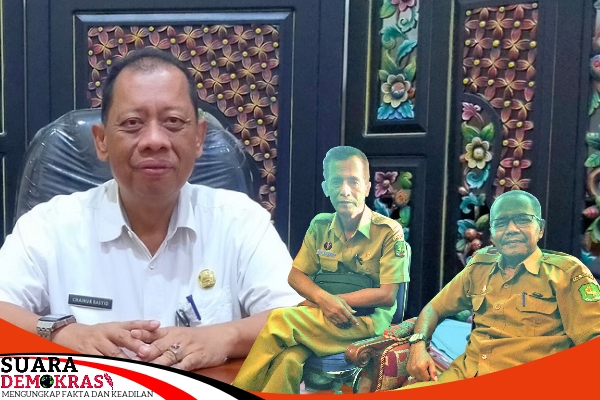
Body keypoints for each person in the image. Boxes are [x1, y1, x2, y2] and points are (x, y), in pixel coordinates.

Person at [0, 48, 302, 371]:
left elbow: (299, 319)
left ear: (199, 138)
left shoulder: (240, 220)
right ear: (101, 141)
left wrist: (222, 337)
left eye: (173, 122)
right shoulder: (47, 227)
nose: (154, 140)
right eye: (133, 123)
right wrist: (61, 333)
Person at [232, 146, 410, 393]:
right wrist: (324, 301)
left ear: (368, 187)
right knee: (289, 359)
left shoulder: (388, 231)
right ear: (326, 187)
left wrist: (327, 303)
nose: (345, 191)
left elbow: (387, 295)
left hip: (366, 321)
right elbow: (295, 276)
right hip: (323, 318)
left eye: (353, 182)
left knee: (279, 320)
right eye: (337, 182)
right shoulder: (320, 226)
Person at [404, 190, 600, 387]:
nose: (511, 229)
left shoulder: (566, 274)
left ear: (540, 229)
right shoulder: (480, 266)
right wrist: (418, 346)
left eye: (522, 220)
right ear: (492, 234)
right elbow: (434, 308)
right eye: (501, 223)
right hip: (464, 374)